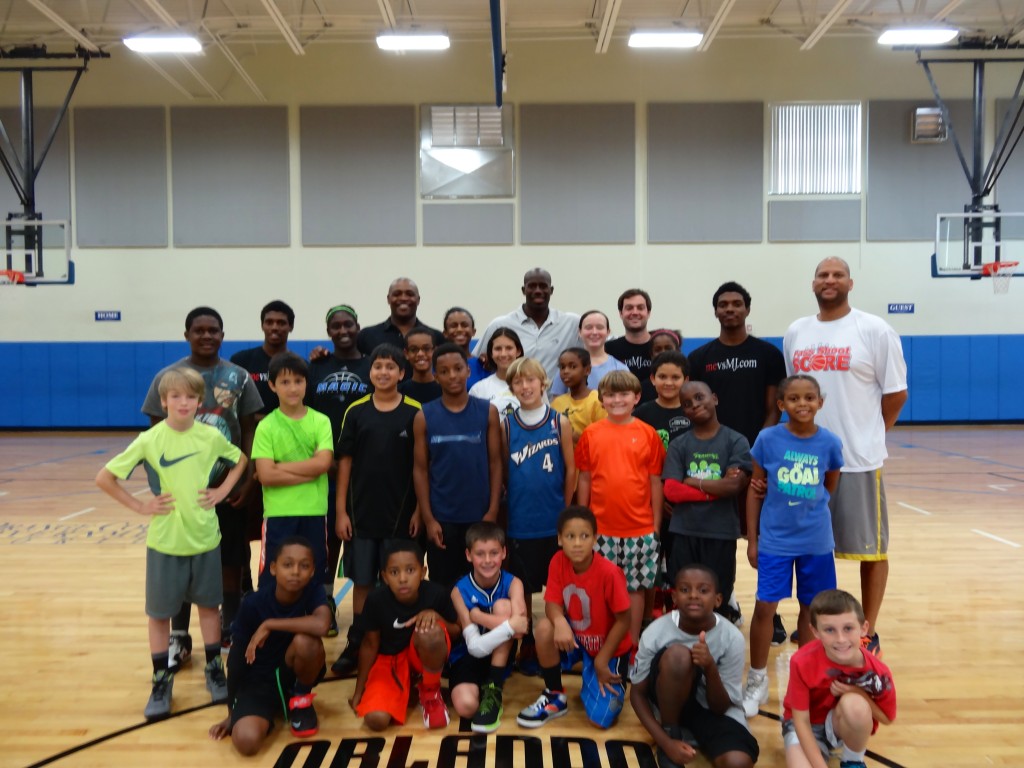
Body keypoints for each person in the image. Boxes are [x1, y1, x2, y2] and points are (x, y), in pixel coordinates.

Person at [97, 367, 248, 719]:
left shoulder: (210, 437)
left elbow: (240, 460)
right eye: (176, 396)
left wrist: (223, 491)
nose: (183, 402)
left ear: (200, 401)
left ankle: (214, 671)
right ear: (163, 401)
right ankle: (161, 679)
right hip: (165, 543)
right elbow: (104, 478)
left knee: (210, 609)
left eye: (190, 397)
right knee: (160, 615)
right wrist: (140, 506)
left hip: (206, 539)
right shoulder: (151, 439)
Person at [784, 257, 908, 656]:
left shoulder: (874, 329)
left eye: (837, 274)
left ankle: (867, 630)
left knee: (870, 550)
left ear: (850, 283)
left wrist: (872, 435)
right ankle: (820, 627)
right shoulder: (796, 332)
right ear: (813, 283)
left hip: (857, 461)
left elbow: (896, 394)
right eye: (823, 274)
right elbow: (794, 393)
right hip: (805, 464)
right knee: (813, 552)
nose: (830, 280)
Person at [141, 306, 263, 665]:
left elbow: (250, 429)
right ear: (187, 335)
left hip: (226, 484)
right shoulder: (168, 376)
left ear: (223, 336)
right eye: (200, 330)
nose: (207, 336)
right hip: (181, 490)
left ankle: (230, 626)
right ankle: (179, 636)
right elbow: (152, 433)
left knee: (230, 557)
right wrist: (158, 484)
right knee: (181, 559)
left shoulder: (238, 377)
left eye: (214, 331)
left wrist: (246, 478)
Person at [689, 281, 789, 645]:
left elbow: (771, 410)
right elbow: (697, 409)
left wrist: (753, 454)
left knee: (761, 540)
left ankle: (770, 612)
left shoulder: (767, 354)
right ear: (715, 311)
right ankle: (725, 604)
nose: (730, 309)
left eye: (736, 304)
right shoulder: (700, 357)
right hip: (715, 463)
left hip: (756, 460)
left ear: (747, 309)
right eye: (723, 304)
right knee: (721, 538)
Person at [742, 374, 844, 719]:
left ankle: (806, 681)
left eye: (810, 398)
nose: (803, 404)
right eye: (795, 399)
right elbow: (755, 490)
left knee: (811, 610)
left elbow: (830, 484)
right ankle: (756, 680)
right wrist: (753, 540)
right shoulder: (768, 439)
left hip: (815, 541)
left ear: (820, 402)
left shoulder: (829, 443)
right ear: (782, 404)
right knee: (765, 607)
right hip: (775, 541)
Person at [331, 344, 422, 676]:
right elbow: (345, 464)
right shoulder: (356, 412)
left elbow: (419, 466)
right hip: (361, 514)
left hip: (401, 515)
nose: (383, 372)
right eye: (377, 366)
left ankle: (397, 642)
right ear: (369, 372)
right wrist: (341, 511)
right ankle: (358, 641)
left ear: (402, 373)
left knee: (401, 580)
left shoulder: (415, 412)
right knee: (364, 582)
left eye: (390, 367)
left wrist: (418, 513)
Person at [208, 536, 332, 754]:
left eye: (304, 566)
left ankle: (300, 700)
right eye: (288, 564)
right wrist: (231, 712)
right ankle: (263, 713)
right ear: (273, 568)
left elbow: (322, 624)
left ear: (313, 571)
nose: (295, 571)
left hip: (292, 672)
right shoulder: (253, 604)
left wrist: (270, 624)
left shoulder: (314, 591)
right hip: (259, 682)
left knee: (307, 642)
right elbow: (236, 660)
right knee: (246, 742)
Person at [629, 564, 759, 768]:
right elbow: (637, 694)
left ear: (718, 600)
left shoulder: (732, 638)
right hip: (670, 708)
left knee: (738, 762)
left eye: (703, 590)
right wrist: (666, 742)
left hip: (712, 711)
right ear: (673, 598)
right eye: (685, 589)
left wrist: (709, 667)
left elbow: (721, 707)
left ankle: (694, 736)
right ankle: (672, 732)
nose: (694, 595)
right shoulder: (655, 633)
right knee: (679, 656)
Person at [516, 506, 632, 730]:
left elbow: (624, 620)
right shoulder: (558, 561)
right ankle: (555, 694)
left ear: (595, 539)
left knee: (600, 720)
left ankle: (593, 671)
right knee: (543, 628)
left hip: (608, 649)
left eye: (584, 536)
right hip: (578, 638)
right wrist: (559, 622)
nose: (577, 543)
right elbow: (552, 603)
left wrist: (601, 659)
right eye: (570, 536)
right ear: (560, 539)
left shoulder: (609, 573)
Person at [575, 370, 666, 648]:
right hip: (601, 528)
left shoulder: (648, 434)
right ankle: (607, 639)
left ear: (636, 397)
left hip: (640, 528)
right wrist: (582, 521)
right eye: (611, 395)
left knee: (636, 588)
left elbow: (654, 482)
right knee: (604, 587)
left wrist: (656, 525)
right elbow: (585, 478)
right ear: (601, 399)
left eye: (624, 394)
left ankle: (633, 641)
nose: (617, 400)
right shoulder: (591, 434)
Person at [502, 357, 575, 673]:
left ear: (543, 383)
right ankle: (529, 641)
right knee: (524, 586)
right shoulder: (506, 424)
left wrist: (566, 511)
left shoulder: (560, 422)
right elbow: (502, 471)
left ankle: (565, 638)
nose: (525, 386)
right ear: (512, 388)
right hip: (520, 520)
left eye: (531, 380)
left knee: (558, 584)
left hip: (552, 520)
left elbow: (571, 469)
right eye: (518, 382)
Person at [414, 343, 503, 591]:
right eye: (444, 371)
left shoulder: (488, 412)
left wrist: (493, 510)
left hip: (480, 516)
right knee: (443, 585)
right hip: (443, 520)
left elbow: (496, 463)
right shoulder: (424, 416)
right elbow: (420, 470)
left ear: (468, 371)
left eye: (457, 368)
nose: (452, 375)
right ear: (435, 376)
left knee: (482, 582)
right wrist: (429, 518)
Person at [662, 381, 751, 626]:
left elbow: (734, 486)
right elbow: (671, 490)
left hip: (720, 531)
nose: (695, 406)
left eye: (700, 398)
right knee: (683, 594)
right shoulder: (680, 443)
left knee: (717, 593)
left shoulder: (736, 441)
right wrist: (715, 489)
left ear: (714, 398)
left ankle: (716, 649)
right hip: (684, 531)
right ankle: (684, 646)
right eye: (687, 404)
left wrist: (691, 482)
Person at [349, 541, 460, 730]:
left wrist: (437, 616)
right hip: (390, 661)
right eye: (394, 572)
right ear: (384, 577)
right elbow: (369, 644)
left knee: (430, 631)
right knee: (376, 721)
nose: (402, 578)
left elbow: (457, 631)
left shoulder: (437, 594)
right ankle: (409, 689)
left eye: (410, 570)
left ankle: (431, 692)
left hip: (420, 656)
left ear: (423, 572)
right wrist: (359, 690)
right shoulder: (376, 599)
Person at [782, 590, 896, 768]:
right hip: (804, 726)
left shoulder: (878, 672)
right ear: (815, 631)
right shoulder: (801, 661)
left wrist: (858, 692)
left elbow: (887, 718)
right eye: (829, 630)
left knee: (856, 706)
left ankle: (853, 760)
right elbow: (800, 721)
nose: (841, 639)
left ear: (864, 628)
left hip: (838, 724)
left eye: (848, 628)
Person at [307, 304, 372, 612]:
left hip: (363, 470)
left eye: (348, 324)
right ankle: (326, 601)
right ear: (329, 331)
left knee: (360, 540)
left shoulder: (372, 365)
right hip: (325, 468)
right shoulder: (316, 366)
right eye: (336, 326)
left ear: (358, 327)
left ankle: (370, 606)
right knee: (328, 540)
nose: (343, 330)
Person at [251, 352, 333, 594]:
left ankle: (310, 623)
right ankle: (270, 625)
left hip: (314, 511)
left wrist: (279, 467)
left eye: (298, 381)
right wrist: (309, 471)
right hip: (278, 513)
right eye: (285, 382)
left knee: (313, 572)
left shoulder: (321, 421)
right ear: (272, 385)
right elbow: (266, 476)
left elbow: (323, 464)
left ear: (307, 384)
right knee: (273, 575)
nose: (293, 388)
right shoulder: (266, 426)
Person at [448, 522, 529, 733]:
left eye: (494, 553)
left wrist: (479, 616)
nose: (487, 560)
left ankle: (494, 688)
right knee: (466, 707)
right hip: (468, 656)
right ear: (468, 555)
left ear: (504, 553)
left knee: (503, 605)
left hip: (500, 657)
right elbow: (474, 647)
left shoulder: (513, 583)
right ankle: (477, 687)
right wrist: (510, 623)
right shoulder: (459, 591)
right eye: (480, 554)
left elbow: (520, 630)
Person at [476, 268, 580, 386]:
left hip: (556, 401)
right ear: (523, 290)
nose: (537, 290)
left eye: (543, 286)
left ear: (551, 290)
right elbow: (480, 360)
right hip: (511, 399)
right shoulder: (500, 324)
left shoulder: (571, 323)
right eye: (532, 286)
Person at [357, 277, 444, 376]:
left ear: (418, 300)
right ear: (388, 299)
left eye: (410, 294)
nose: (403, 298)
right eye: (397, 294)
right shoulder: (367, 336)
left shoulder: (436, 337)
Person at [230, 300, 296, 417]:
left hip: (287, 432)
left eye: (281, 323)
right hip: (249, 433)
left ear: (290, 327)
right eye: (269, 322)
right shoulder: (240, 361)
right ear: (262, 326)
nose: (274, 327)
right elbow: (232, 405)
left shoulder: (299, 365)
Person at [549, 310, 629, 396]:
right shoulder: (566, 366)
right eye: (588, 327)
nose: (594, 332)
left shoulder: (620, 369)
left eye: (599, 327)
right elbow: (557, 401)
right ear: (580, 332)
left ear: (608, 332)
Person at [605, 288, 656, 402]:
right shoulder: (608, 349)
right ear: (620, 313)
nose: (635, 312)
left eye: (640, 308)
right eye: (629, 308)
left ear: (648, 313)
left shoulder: (662, 347)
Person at [634, 351, 692, 449]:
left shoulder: (695, 412)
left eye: (675, 377)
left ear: (685, 381)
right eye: (662, 377)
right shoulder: (641, 414)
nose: (668, 383)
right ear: (653, 379)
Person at [549, 347, 607, 443]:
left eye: (573, 367)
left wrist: (571, 435)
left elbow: (602, 440)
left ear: (587, 370)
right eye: (562, 367)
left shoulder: (598, 400)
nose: (566, 371)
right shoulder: (557, 403)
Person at [468, 327, 524, 420]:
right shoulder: (478, 389)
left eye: (509, 348)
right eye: (498, 349)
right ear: (490, 353)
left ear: (518, 351)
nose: (503, 354)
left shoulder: (533, 385)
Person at [442, 306, 487, 389]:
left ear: (473, 331)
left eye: (464, 325)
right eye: (453, 326)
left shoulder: (484, 365)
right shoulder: (437, 364)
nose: (459, 329)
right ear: (445, 333)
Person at [399, 326, 443, 404]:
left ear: (435, 352)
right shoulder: (398, 392)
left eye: (426, 349)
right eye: (413, 349)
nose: (420, 354)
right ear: (406, 354)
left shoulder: (446, 390)